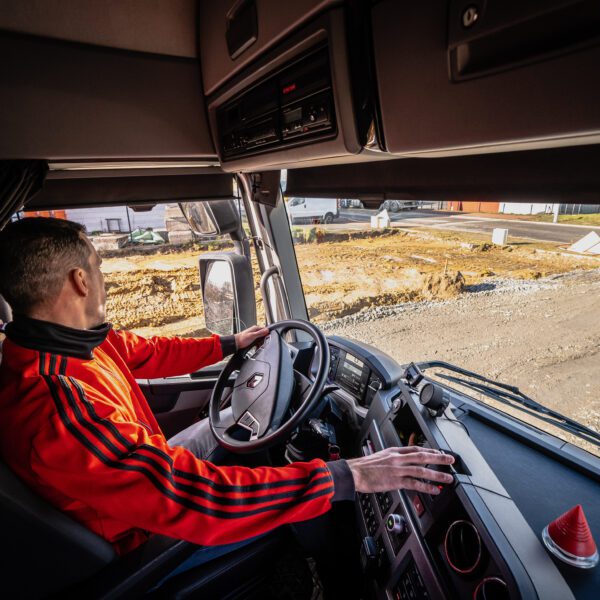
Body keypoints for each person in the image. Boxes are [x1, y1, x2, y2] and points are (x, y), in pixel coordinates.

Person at [0, 217, 454, 586]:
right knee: (287, 514)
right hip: (143, 542)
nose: (104, 279)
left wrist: (231, 343)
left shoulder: (72, 344)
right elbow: (194, 499)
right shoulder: (55, 405)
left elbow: (151, 352)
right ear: (80, 281)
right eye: (98, 267)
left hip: (144, 483)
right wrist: (346, 476)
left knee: (238, 435)